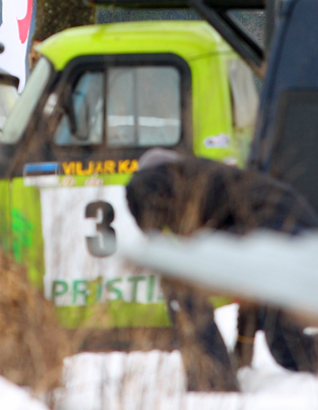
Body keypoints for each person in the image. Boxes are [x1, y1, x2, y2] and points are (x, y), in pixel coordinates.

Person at [126, 149, 318, 390]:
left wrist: (155, 238)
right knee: (289, 348)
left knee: (181, 284)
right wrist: (242, 357)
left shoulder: (153, 178)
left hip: (268, 227)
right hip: (297, 227)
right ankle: (218, 375)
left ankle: (212, 379)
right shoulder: (213, 184)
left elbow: (146, 196)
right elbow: (249, 297)